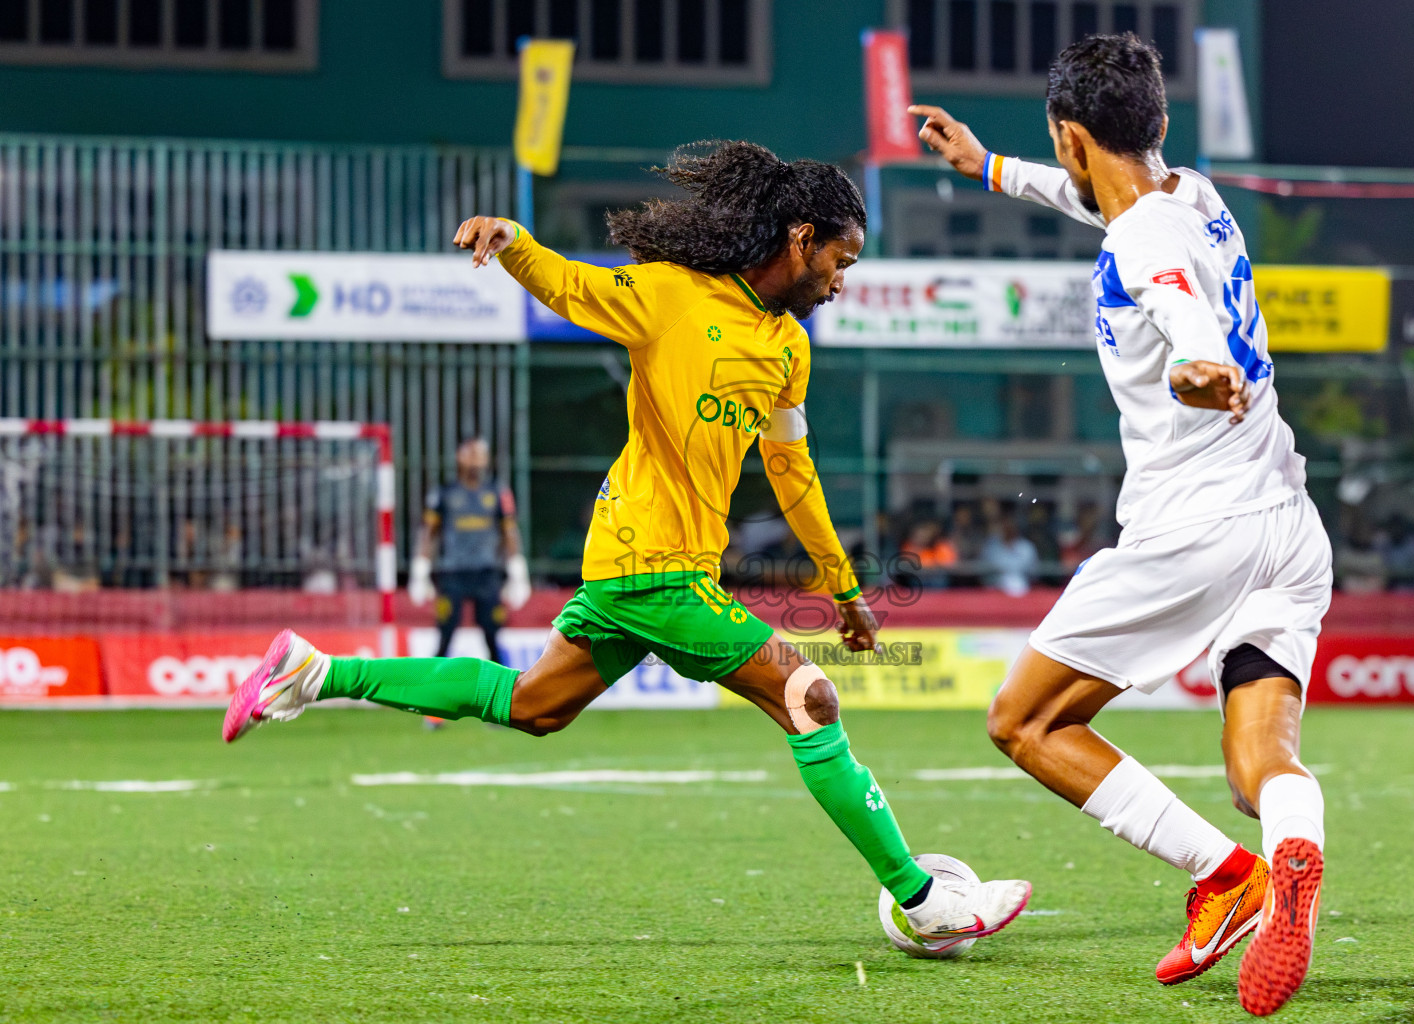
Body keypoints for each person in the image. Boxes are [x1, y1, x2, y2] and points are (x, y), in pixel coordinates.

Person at [222, 141, 1031, 953]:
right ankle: (923, 901)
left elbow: (793, 472)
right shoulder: (672, 296)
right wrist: (515, 240)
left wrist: (846, 590)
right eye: (840, 258)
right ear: (800, 238)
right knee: (809, 697)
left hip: (644, 566)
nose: (842, 278)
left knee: (532, 705)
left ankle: (313, 673)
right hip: (650, 561)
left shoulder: (789, 346)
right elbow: (576, 286)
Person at [916, 33, 1332, 1017]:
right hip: (1287, 524)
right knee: (1257, 763)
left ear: (1070, 135)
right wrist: (986, 166)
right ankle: (1289, 847)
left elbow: (1174, 305)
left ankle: (1226, 877)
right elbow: (1103, 202)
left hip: (1197, 528)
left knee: (1023, 719)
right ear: (1160, 125)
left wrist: (1198, 363)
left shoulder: (1143, 240)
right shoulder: (1189, 193)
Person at [408, 436, 531, 665]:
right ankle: (433, 691)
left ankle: (504, 693)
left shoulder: (497, 492)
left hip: (487, 573)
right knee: (445, 635)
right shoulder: (443, 493)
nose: (476, 459)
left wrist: (518, 572)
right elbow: (429, 532)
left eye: (481, 454)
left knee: (492, 636)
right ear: (459, 456)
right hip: (452, 573)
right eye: (470, 453)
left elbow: (510, 532)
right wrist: (420, 570)